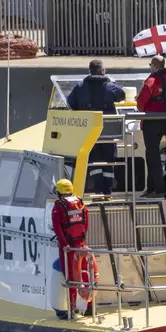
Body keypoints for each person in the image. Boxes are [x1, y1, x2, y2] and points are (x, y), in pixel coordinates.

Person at [67, 60, 125, 197]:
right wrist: (112, 82)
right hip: (108, 132)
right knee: (109, 160)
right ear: (102, 71)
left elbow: (70, 103)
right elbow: (121, 94)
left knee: (94, 160)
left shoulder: (80, 86)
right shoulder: (109, 85)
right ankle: (107, 191)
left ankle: (98, 190)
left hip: (89, 132)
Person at [136, 55, 166, 198]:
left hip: (151, 122)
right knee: (155, 155)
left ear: (154, 66)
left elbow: (140, 105)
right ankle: (152, 188)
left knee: (152, 155)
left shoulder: (150, 81)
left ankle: (158, 188)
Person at [51, 178, 94, 318]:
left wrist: (64, 245)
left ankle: (71, 309)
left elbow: (57, 228)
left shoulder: (59, 206)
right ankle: (89, 306)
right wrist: (82, 240)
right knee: (84, 274)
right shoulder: (80, 203)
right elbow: (85, 222)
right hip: (81, 245)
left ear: (59, 192)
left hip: (68, 248)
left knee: (70, 277)